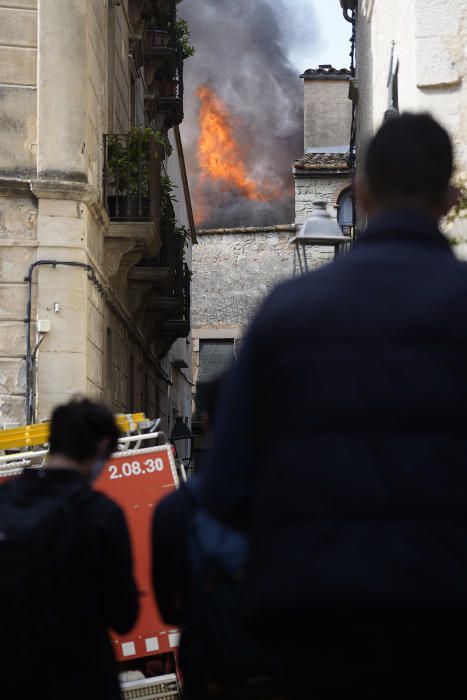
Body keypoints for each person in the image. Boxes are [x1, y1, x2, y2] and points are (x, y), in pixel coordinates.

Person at [200, 113, 467, 698]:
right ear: (450, 198)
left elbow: (223, 489)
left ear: (362, 192)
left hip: (316, 629)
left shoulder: (288, 312)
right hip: (447, 626)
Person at [152, 373, 282, 699]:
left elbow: (169, 611)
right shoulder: (299, 502)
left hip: (211, 676)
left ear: (207, 421)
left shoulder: (174, 510)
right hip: (281, 674)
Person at [0, 398, 139, 700]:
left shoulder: (4, 500)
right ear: (102, 446)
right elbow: (124, 616)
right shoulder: (101, 514)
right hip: (81, 677)